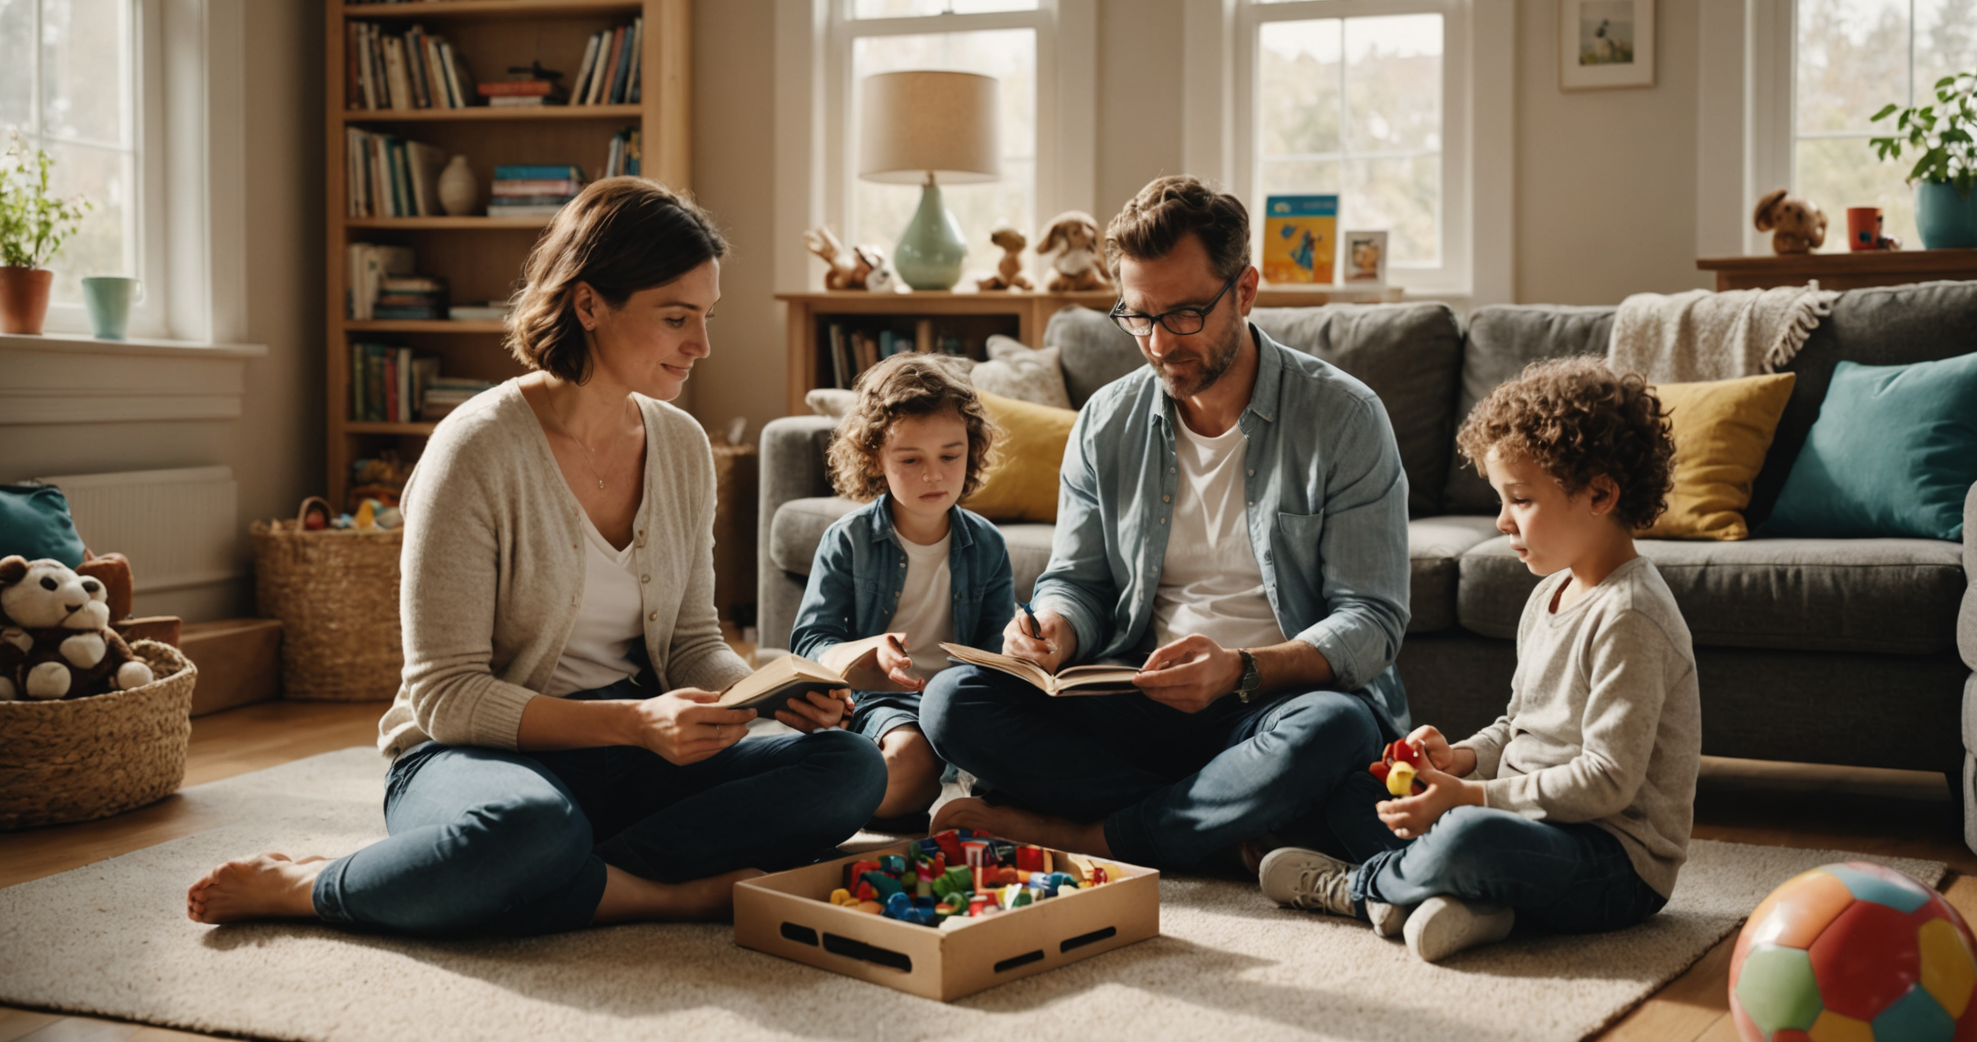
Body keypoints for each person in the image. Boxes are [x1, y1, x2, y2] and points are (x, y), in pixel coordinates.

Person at [186, 178, 885, 934]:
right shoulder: (476, 449)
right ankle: (312, 886)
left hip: (629, 752)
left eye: (706, 317)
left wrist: (764, 695)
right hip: (473, 755)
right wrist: (633, 724)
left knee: (849, 768)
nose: (701, 345)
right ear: (589, 305)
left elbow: (691, 643)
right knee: (527, 831)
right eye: (677, 318)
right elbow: (446, 696)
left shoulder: (681, 446)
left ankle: (548, 876)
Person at [920, 174, 1412, 874]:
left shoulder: (1343, 417)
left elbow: (1371, 619)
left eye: (1183, 315)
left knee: (1334, 731)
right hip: (1140, 699)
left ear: (1244, 291)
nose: (1157, 344)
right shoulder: (1107, 419)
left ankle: (1092, 837)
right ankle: (1234, 827)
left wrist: (1240, 671)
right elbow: (1078, 578)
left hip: (1273, 704)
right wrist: (1055, 626)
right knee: (953, 702)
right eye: (1138, 316)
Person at [1259, 355, 1698, 964]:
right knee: (1358, 788)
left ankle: (1363, 891)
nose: (1501, 521)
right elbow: (1519, 727)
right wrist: (1460, 759)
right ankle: (1465, 904)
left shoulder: (1630, 616)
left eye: (1520, 499)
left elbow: (1606, 784)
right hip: (1527, 823)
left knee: (1469, 834)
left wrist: (1467, 799)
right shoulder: (1550, 592)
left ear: (1600, 493)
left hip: (1611, 863)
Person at [791, 353, 1016, 830]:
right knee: (908, 774)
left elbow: (999, 659)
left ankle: (977, 786)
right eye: (910, 460)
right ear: (876, 456)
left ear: (971, 451)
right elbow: (810, 646)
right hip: (884, 701)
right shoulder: (848, 540)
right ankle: (826, 781)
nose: (933, 475)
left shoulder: (988, 543)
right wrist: (869, 650)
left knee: (1044, 754)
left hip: (963, 702)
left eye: (949, 456)